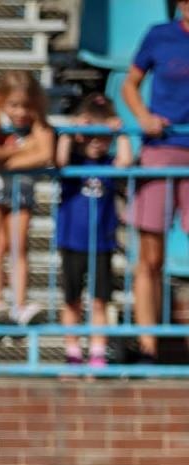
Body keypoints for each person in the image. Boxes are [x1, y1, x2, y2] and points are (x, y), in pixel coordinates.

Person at [121, 0, 189, 363]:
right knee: (150, 255)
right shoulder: (159, 36)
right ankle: (148, 345)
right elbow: (130, 86)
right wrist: (145, 117)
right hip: (161, 151)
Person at [56, 94, 133, 368]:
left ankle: (97, 352)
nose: (97, 143)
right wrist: (72, 131)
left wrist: (120, 132)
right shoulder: (74, 161)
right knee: (72, 300)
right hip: (72, 242)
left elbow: (125, 161)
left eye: (103, 137)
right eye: (91, 135)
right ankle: (73, 351)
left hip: (101, 243)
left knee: (100, 300)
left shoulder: (109, 163)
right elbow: (60, 160)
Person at [0, 71, 54, 328]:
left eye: (26, 106)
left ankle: (19, 305)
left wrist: (3, 161)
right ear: (1, 99)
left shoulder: (38, 118)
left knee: (18, 245)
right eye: (14, 105)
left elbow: (45, 155)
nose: (20, 112)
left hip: (22, 186)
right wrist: (23, 149)